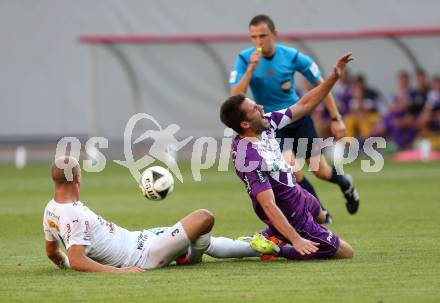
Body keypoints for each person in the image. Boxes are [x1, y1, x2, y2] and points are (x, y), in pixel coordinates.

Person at [220, 52, 355, 259]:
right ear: (245, 124)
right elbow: (268, 205)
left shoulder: (265, 124)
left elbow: (304, 105)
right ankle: (277, 248)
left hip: (299, 194)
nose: (261, 107)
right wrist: (295, 239)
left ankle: (267, 237)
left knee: (320, 214)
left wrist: (333, 78)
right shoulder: (247, 157)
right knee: (346, 253)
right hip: (291, 213)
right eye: (255, 109)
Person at [43, 157, 276, 272]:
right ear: (77, 178)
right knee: (204, 218)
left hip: (140, 239)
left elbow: (53, 252)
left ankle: (255, 247)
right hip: (144, 256)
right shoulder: (74, 214)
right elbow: (76, 259)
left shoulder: (50, 209)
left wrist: (62, 267)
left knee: (202, 236)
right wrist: (120, 273)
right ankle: (191, 258)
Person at [229, 14, 359, 219]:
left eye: (263, 35)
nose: (258, 41)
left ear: (274, 34)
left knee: (321, 171)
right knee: (292, 170)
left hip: (297, 118)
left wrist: (336, 118)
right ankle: (321, 213)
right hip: (270, 124)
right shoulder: (245, 59)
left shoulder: (292, 56)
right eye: (253, 37)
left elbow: (320, 85)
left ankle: (346, 183)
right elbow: (236, 96)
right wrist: (250, 70)